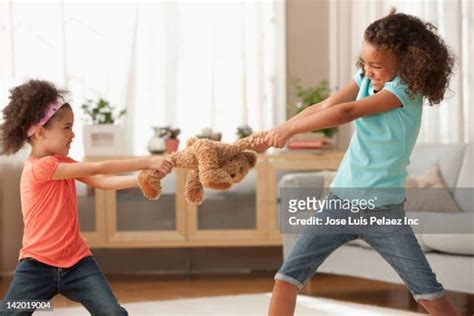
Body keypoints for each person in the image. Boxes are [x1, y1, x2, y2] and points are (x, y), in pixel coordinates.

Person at [259, 11, 458, 316]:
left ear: (406, 63)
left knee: (427, 292)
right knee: (287, 277)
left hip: (384, 212)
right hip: (339, 203)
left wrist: (290, 131)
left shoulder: (406, 92)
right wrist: (280, 129)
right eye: (364, 62)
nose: (368, 71)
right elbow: (327, 106)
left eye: (377, 66)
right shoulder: (365, 77)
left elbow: (347, 113)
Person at [0, 80, 173, 315]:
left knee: (113, 313)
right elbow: (98, 168)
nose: (73, 135)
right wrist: (147, 161)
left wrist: (144, 178)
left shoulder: (62, 163)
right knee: (11, 312)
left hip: (77, 263)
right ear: (41, 132)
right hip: (37, 266)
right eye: (66, 128)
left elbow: (102, 182)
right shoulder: (41, 167)